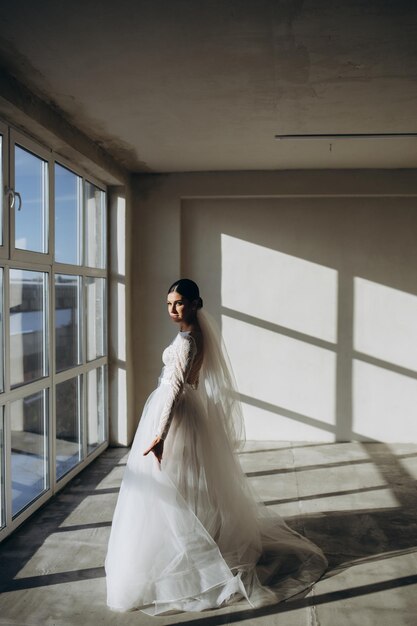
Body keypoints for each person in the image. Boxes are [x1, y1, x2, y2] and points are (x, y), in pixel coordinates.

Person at [105, 279, 327, 615]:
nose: (172, 310)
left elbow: (175, 389)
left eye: (178, 303)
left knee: (172, 487)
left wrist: (160, 435)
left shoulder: (185, 341)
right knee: (189, 484)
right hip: (189, 413)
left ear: (195, 303)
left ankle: (188, 551)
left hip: (176, 414)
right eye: (168, 304)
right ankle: (204, 538)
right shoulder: (197, 334)